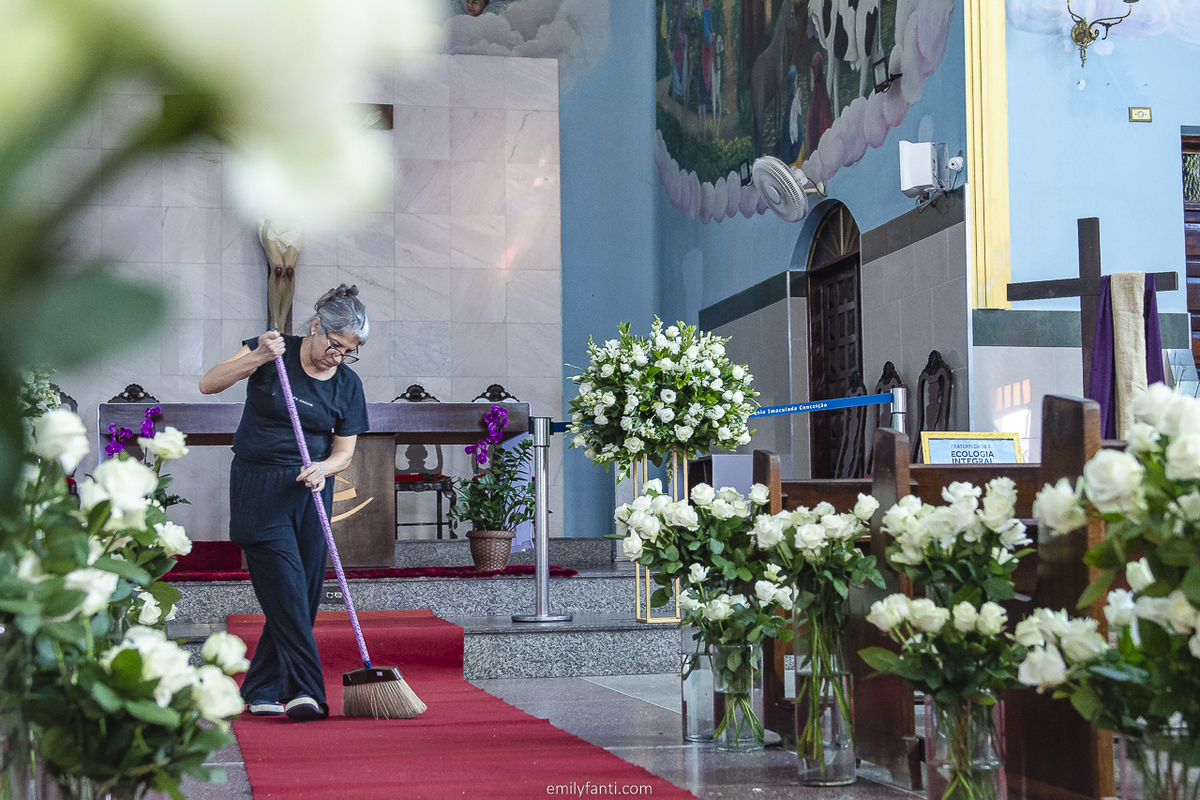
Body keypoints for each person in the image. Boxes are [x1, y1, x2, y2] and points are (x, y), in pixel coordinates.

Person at [199, 284, 370, 721]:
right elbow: (208, 384)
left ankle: (260, 688)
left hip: (310, 489)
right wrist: (258, 355)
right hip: (260, 486)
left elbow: (343, 452)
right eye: (335, 345)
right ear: (316, 326)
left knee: (304, 594)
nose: (338, 357)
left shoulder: (348, 385)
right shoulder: (273, 350)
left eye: (348, 352)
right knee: (289, 592)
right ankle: (307, 691)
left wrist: (324, 469)